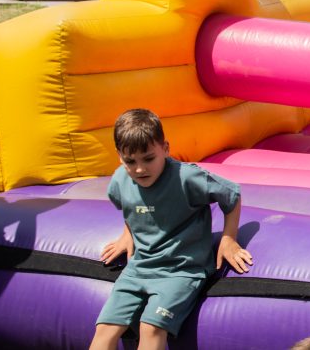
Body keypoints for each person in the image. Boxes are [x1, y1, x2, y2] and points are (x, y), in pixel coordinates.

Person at [90, 109, 253, 349]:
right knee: (104, 329)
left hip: (182, 269)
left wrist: (229, 238)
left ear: (165, 149)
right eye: (130, 161)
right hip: (139, 268)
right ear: (119, 157)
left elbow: (232, 194)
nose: (139, 169)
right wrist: (127, 234)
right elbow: (129, 207)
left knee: (151, 328)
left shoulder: (186, 177)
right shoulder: (119, 181)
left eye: (148, 158)